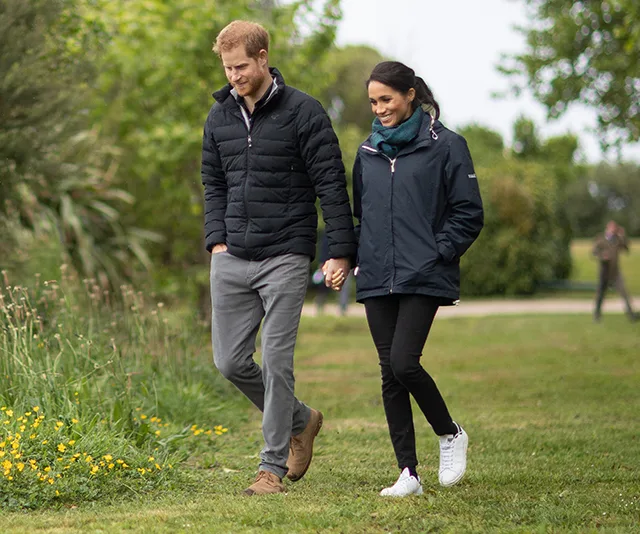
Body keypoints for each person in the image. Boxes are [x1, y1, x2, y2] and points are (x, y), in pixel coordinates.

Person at [201, 20, 355, 496]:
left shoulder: (304, 111)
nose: (234, 77)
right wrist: (216, 240)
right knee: (229, 361)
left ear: (264, 56)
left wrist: (340, 251)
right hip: (232, 254)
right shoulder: (220, 115)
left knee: (276, 360)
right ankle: (302, 419)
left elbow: (331, 182)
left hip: (286, 253)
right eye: (228, 68)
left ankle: (270, 468)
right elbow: (213, 181)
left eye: (241, 66)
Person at [346, 61, 484, 496]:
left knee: (404, 361)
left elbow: (468, 213)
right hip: (375, 275)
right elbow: (360, 215)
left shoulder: (448, 146)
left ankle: (450, 433)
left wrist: (436, 253)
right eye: (373, 101)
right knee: (390, 373)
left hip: (423, 272)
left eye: (386, 99)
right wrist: (348, 257)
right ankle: (408, 473)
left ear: (410, 95)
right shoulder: (367, 152)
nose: (379, 108)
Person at [593, 220, 637, 322]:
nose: (613, 230)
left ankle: (631, 315)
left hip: (616, 272)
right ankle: (597, 315)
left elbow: (626, 249)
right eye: (612, 228)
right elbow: (594, 252)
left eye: (615, 228)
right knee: (601, 295)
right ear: (607, 228)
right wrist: (602, 256)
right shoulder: (601, 239)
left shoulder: (617, 240)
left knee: (624, 293)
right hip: (604, 272)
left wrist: (623, 236)